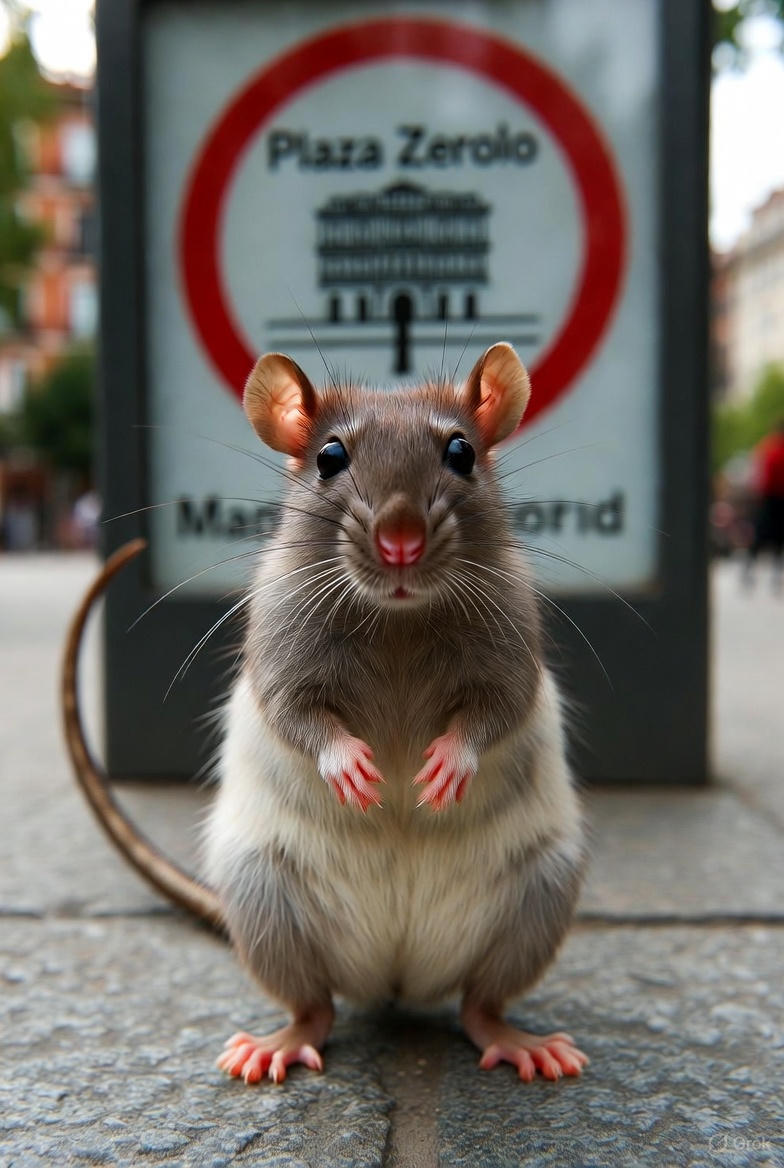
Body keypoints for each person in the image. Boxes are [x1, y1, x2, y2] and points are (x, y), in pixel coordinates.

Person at [744, 419, 784, 592]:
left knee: (762, 536)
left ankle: (750, 571)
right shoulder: (772, 448)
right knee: (777, 537)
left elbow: (760, 474)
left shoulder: (768, 447)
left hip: (769, 499)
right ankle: (772, 574)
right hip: (777, 499)